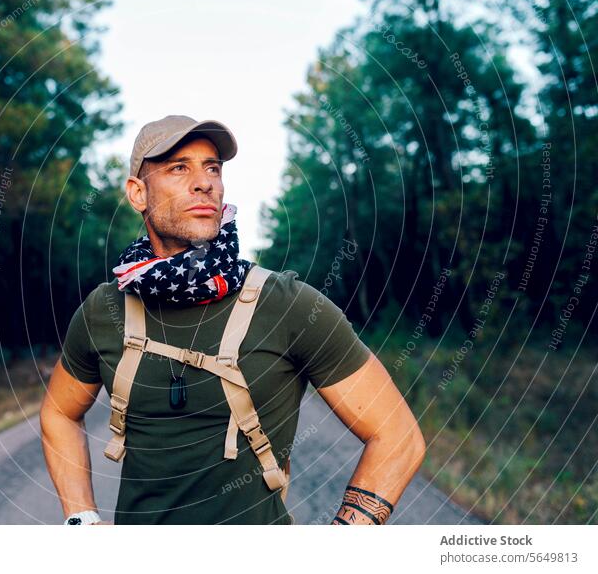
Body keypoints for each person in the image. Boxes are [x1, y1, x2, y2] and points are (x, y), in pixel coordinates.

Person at [40, 115, 426, 525]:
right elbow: (59, 413)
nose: (204, 181)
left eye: (212, 168)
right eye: (178, 168)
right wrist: (80, 519)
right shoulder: (105, 310)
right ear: (138, 193)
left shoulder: (288, 305)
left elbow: (398, 437)